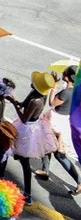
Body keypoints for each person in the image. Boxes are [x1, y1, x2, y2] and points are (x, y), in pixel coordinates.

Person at [9, 71, 59, 205]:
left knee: (25, 163)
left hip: (27, 130)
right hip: (30, 126)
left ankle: (28, 194)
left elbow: (24, 119)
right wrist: (14, 101)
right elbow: (22, 104)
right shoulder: (36, 94)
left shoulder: (36, 100)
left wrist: (13, 103)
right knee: (14, 151)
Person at [37, 66, 81, 194]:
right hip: (65, 121)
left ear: (68, 77)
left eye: (65, 73)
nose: (63, 73)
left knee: (59, 154)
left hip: (56, 121)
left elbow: (52, 103)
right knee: (47, 144)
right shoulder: (76, 90)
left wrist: (53, 86)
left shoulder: (66, 93)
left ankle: (78, 181)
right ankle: (45, 170)